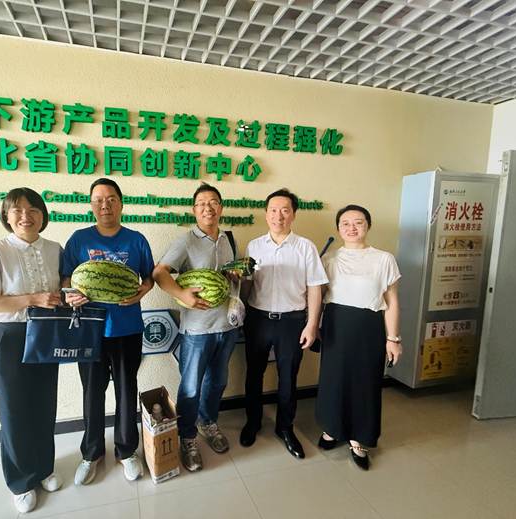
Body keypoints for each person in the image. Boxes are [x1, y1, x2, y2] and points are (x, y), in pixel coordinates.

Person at [0, 188, 63, 514]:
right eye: (18, 210)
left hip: (47, 333)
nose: (26, 216)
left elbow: (62, 288)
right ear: (7, 216)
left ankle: (44, 468)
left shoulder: (54, 249)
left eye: (33, 209)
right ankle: (21, 481)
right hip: (11, 335)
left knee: (44, 405)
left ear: (43, 215)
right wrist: (32, 299)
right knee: (14, 410)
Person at [61, 178, 154, 485]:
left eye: (111, 199)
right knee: (92, 392)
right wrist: (70, 294)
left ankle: (127, 451)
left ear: (121, 203)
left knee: (127, 390)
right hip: (90, 330)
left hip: (127, 328)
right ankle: (91, 453)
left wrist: (142, 292)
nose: (105, 205)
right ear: (91, 205)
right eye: (99, 200)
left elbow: (149, 278)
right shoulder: (79, 240)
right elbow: (66, 278)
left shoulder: (136, 240)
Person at [153, 183, 238, 472]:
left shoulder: (228, 239)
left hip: (227, 326)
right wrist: (181, 294)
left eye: (213, 202)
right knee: (190, 387)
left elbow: (228, 278)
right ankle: (187, 437)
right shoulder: (186, 240)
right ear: (194, 210)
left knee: (217, 382)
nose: (207, 208)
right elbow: (159, 272)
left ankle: (208, 423)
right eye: (201, 203)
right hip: (197, 331)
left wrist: (236, 275)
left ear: (221, 208)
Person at [239, 188, 328, 459]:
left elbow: (315, 288)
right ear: (266, 214)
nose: (279, 216)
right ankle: (253, 422)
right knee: (253, 373)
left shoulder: (306, 247)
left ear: (293, 215)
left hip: (292, 321)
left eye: (285, 210)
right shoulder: (254, 246)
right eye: (273, 210)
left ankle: (285, 427)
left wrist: (312, 324)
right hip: (258, 318)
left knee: (288, 377)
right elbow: (248, 284)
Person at [315, 204, 402, 470]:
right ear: (338, 228)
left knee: (365, 382)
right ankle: (332, 428)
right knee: (333, 380)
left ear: (368, 225)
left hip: (369, 326)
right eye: (345, 223)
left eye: (358, 222)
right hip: (336, 324)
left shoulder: (384, 259)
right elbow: (317, 296)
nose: (352, 228)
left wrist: (393, 338)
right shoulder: (328, 259)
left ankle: (359, 438)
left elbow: (392, 301)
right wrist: (312, 325)